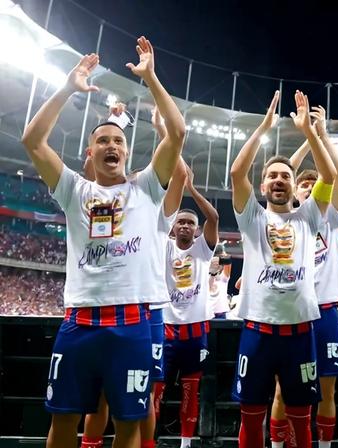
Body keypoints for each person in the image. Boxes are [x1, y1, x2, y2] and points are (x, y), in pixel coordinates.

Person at [21, 36, 186, 448]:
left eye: (119, 142)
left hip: (132, 325)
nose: (112, 145)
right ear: (89, 153)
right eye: (103, 141)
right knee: (63, 423)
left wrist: (150, 79)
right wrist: (67, 88)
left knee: (129, 425)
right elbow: (33, 141)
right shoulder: (74, 190)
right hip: (79, 322)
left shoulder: (147, 188)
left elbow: (178, 133)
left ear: (128, 153)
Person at [230, 90, 337, 448]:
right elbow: (235, 171)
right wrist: (263, 128)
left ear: (294, 187)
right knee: (251, 419)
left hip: (299, 334)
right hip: (257, 332)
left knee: (301, 421)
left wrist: (310, 132)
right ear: (263, 185)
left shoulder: (308, 216)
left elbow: (330, 174)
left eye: (285, 176)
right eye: (272, 175)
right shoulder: (251, 218)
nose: (278, 180)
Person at [80, 108, 187, 448]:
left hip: (149, 309)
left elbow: (180, 175)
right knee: (98, 393)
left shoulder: (156, 206)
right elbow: (92, 175)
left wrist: (162, 132)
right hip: (108, 304)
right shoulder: (111, 201)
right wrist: (116, 123)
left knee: (146, 394)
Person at [270, 105, 338, 448]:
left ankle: (325, 445)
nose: (308, 187)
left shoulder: (333, 219)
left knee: (326, 387)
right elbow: (285, 171)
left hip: (326, 309)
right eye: (303, 183)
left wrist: (322, 136)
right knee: (281, 391)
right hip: (292, 310)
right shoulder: (284, 222)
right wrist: (306, 135)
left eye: (314, 184)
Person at [158, 165, 219, 448]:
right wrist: (177, 185)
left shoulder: (203, 250)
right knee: (155, 391)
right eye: (180, 221)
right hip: (166, 331)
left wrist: (192, 188)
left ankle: (185, 443)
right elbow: (158, 214)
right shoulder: (164, 246)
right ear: (173, 226)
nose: (184, 225)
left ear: (196, 229)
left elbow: (214, 217)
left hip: (195, 333)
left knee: (190, 392)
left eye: (189, 223)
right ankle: (149, 440)